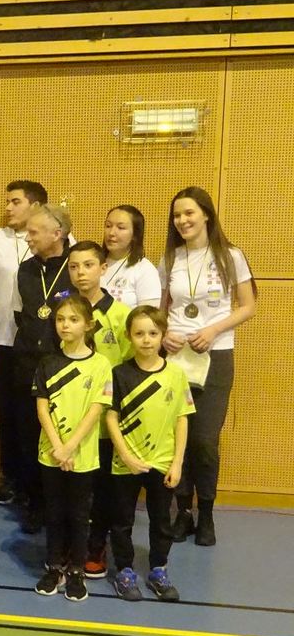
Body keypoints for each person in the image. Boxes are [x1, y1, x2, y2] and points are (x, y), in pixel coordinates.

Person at [161, 187, 256, 546]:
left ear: (206, 214)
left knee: (204, 439)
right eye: (176, 215)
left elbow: (248, 306)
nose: (182, 220)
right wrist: (165, 334)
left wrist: (214, 330)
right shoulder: (171, 258)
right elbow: (160, 308)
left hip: (215, 355)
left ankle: (207, 513)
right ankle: (183, 511)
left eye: (188, 213)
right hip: (176, 358)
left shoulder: (230, 255)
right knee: (179, 436)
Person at [105, 307, 193, 602]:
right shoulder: (119, 374)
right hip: (126, 463)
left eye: (153, 333)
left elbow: (182, 419)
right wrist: (125, 455)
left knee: (161, 520)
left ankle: (158, 569)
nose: (146, 340)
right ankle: (124, 571)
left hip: (163, 461)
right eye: (139, 333)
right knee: (122, 520)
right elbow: (111, 417)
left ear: (162, 336)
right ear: (129, 337)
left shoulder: (176, 375)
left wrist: (177, 463)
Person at [32, 296, 113, 603]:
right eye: (60, 319)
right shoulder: (47, 363)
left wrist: (70, 447)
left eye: (73, 319)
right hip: (50, 453)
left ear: (88, 325)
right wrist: (57, 447)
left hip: (82, 455)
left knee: (79, 515)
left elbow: (96, 410)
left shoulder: (101, 365)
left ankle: (77, 570)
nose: (65, 325)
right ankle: (54, 567)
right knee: (54, 513)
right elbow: (42, 408)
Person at [0, 180, 47, 506]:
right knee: (10, 415)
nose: (8, 208)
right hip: (6, 341)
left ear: (36, 205)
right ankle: (13, 481)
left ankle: (42, 486)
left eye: (15, 201)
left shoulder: (60, 238)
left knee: (41, 416)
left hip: (47, 346)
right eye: (7, 202)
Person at [66, 241, 133, 580]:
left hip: (105, 422)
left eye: (88, 265)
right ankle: (70, 546)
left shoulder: (120, 315)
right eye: (74, 266)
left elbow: (129, 369)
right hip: (71, 419)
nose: (81, 273)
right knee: (74, 490)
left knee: (104, 490)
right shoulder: (65, 312)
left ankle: (96, 547)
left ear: (103, 268)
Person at [12, 204, 75, 533]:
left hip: (63, 364)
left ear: (57, 233)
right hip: (27, 362)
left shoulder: (75, 266)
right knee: (27, 434)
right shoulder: (25, 269)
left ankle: (63, 506)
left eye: (34, 232)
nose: (28, 238)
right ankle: (33, 503)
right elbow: (20, 314)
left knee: (61, 433)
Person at [102, 205, 162, 309]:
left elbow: (148, 315)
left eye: (121, 228)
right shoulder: (94, 262)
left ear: (135, 234)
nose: (111, 233)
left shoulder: (145, 269)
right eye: (108, 226)